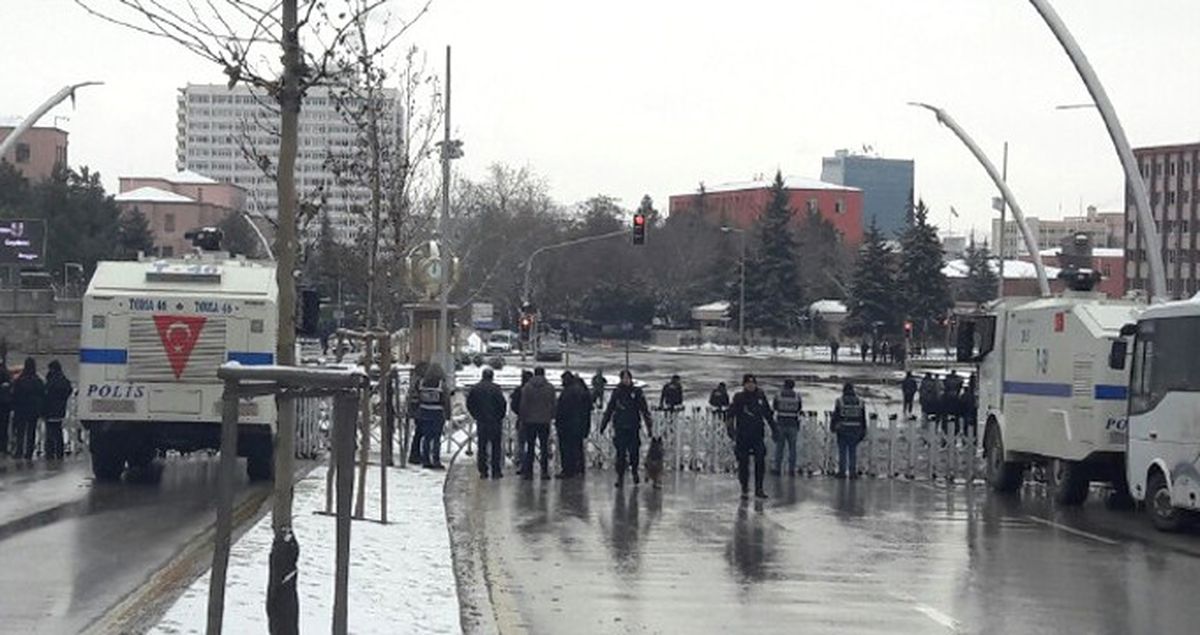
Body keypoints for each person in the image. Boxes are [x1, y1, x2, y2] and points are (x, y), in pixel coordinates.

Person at [600, 369, 653, 488]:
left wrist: (649, 426)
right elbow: (610, 409)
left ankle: (634, 471)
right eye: (624, 378)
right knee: (620, 454)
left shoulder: (637, 392)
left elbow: (644, 410)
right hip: (620, 427)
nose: (626, 380)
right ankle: (620, 476)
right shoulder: (617, 392)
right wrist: (603, 424)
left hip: (633, 427)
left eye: (627, 378)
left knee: (634, 452)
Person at [728, 373, 775, 499]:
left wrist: (774, 430)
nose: (751, 386)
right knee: (743, 464)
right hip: (743, 436)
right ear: (744, 385)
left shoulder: (760, 396)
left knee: (760, 462)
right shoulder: (739, 397)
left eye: (753, 383)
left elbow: (768, 414)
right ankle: (744, 488)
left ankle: (759, 488)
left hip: (757, 435)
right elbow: (730, 415)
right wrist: (731, 432)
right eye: (748, 383)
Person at [467, 368, 507, 479]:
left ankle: (483, 471)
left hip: (482, 421)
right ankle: (496, 470)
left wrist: (476, 415)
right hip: (495, 422)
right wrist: (500, 417)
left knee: (482, 446)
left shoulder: (475, 388)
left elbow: (470, 404)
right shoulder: (496, 389)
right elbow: (502, 404)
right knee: (496, 447)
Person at [518, 367, 557, 480]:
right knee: (544, 446)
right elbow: (553, 404)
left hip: (530, 421)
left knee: (530, 447)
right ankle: (544, 471)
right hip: (544, 421)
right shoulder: (550, 388)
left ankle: (529, 472)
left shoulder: (527, 387)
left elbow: (523, 405)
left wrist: (523, 418)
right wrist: (551, 416)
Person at [555, 371, 592, 478]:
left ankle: (568, 470)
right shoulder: (583, 390)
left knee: (567, 449)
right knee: (578, 447)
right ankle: (579, 469)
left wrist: (558, 422)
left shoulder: (568, 392)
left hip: (567, 425)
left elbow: (562, 409)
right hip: (580, 424)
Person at [416, 364, 451, 469]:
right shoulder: (441, 385)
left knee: (426, 438)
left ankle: (425, 460)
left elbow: (418, 397)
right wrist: (448, 414)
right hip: (437, 414)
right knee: (436, 438)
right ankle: (436, 460)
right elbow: (446, 400)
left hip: (424, 413)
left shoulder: (422, 383)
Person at [12, 357, 45, 460]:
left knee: (20, 432)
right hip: (33, 410)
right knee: (32, 431)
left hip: (21, 409)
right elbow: (42, 394)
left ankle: (19, 451)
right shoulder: (38, 380)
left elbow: (15, 395)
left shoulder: (20, 380)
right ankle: (29, 452)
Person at [832, 382, 867, 478]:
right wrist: (863, 430)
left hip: (842, 430)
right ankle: (852, 472)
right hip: (855, 430)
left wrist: (833, 427)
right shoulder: (860, 401)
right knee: (853, 452)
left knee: (842, 452)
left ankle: (842, 472)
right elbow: (863, 418)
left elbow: (836, 416)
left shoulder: (840, 401)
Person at [771, 378, 803, 476]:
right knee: (792, 449)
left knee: (779, 448)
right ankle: (791, 469)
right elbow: (799, 408)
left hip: (781, 424)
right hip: (793, 424)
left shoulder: (778, 395)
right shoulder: (797, 396)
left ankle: (777, 468)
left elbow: (775, 407)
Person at [42, 360, 72, 461]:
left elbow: (45, 395)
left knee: (49, 432)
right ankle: (59, 452)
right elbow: (69, 390)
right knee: (58, 432)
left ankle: (50, 453)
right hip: (60, 410)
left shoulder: (51, 380)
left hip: (49, 410)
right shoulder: (64, 380)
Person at [406, 362, 430, 465]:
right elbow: (419, 395)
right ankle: (415, 455)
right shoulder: (419, 381)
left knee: (419, 433)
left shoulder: (414, 379)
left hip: (416, 409)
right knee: (420, 433)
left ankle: (415, 454)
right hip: (419, 410)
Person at [942, 370, 964, 435]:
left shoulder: (946, 380)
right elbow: (960, 385)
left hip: (947, 401)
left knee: (945, 417)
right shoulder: (958, 380)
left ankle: (945, 432)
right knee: (956, 418)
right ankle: (955, 432)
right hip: (955, 400)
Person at [0, 362, 11, 456]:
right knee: (4, 427)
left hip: (4, 405)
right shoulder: (5, 373)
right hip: (5, 406)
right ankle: (3, 448)